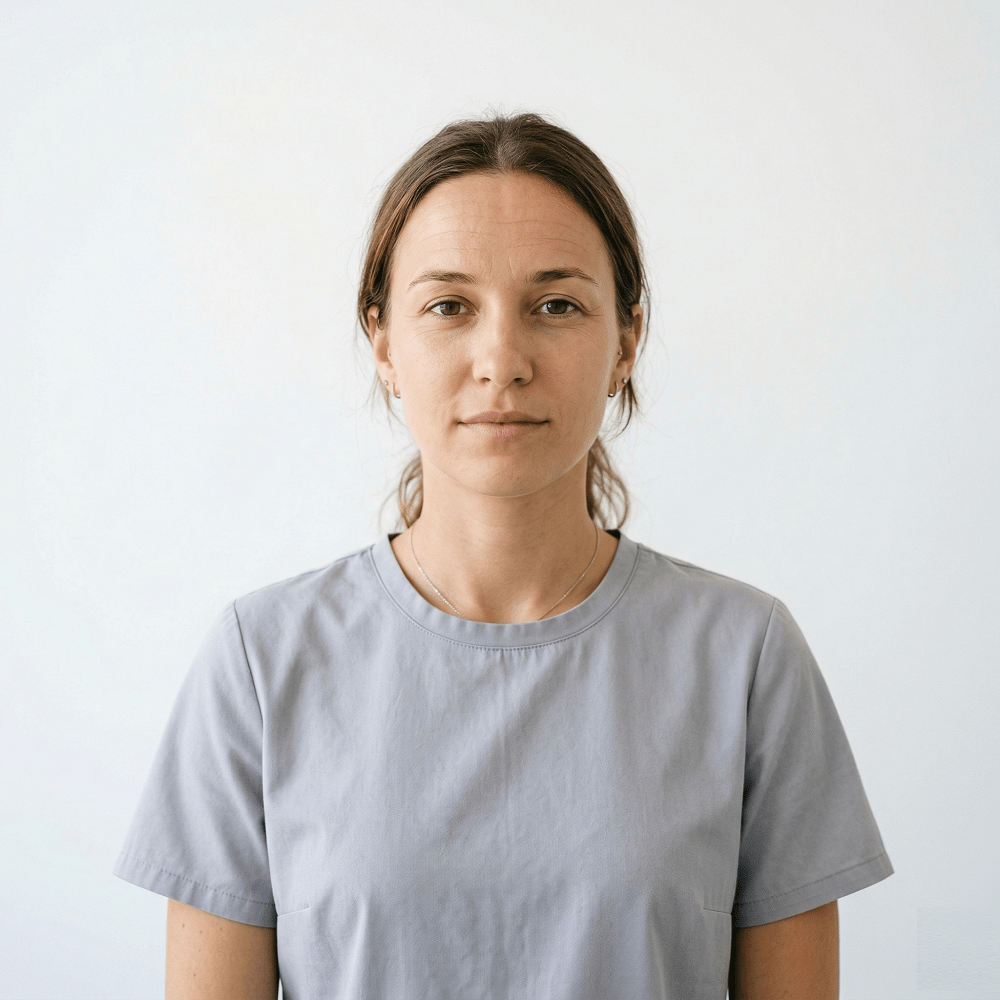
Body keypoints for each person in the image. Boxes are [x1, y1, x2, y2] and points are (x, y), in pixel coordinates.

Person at [114, 112, 893, 999]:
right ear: (384, 345)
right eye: (449, 306)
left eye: (556, 305)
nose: (502, 359)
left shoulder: (745, 657)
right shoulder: (260, 660)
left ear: (626, 343)